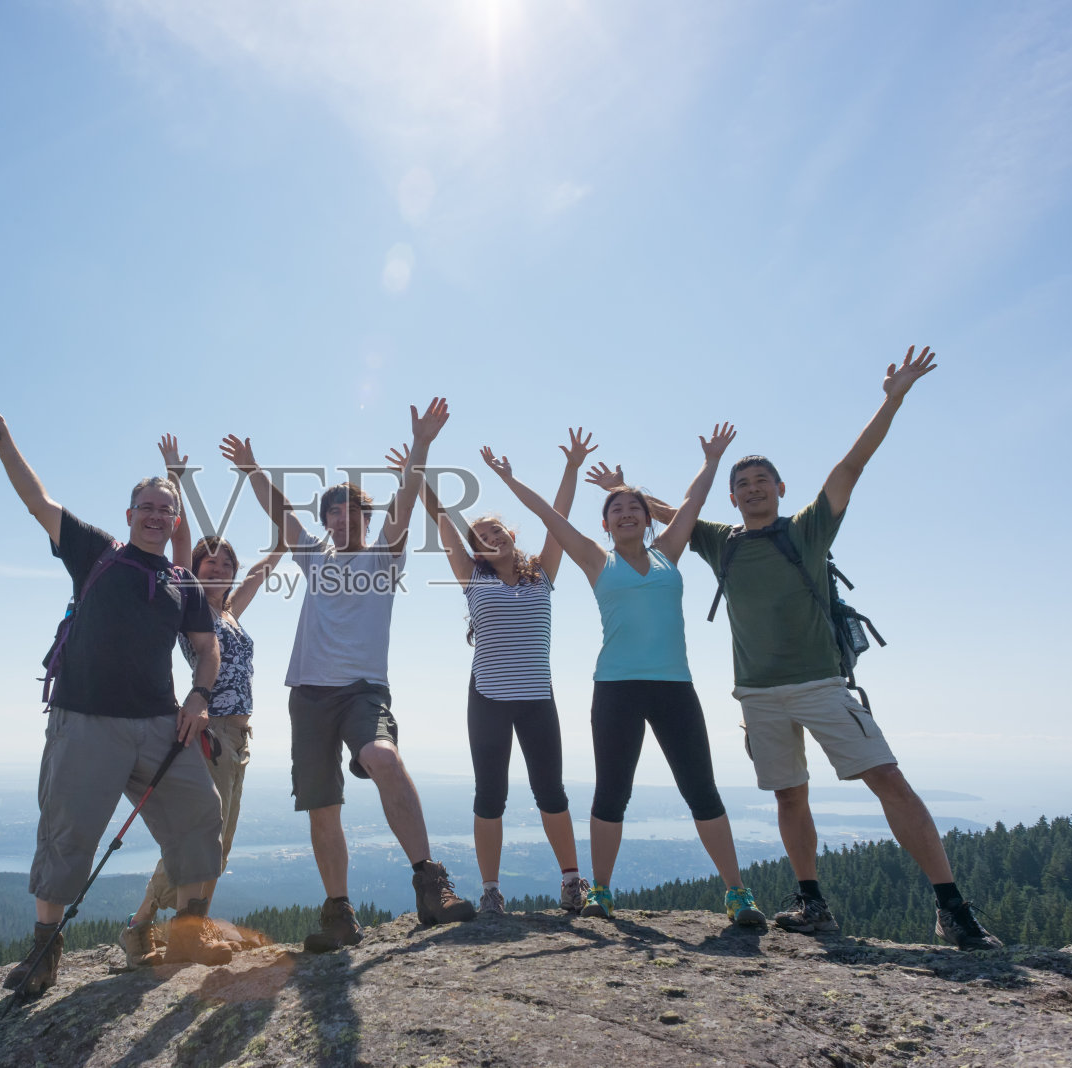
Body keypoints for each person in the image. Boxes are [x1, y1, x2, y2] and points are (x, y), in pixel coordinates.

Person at [635, 347, 1002, 950]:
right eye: (742, 485)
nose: (752, 490)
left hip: (821, 684)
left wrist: (893, 399)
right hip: (757, 693)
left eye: (761, 482)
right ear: (731, 499)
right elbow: (669, 511)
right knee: (789, 794)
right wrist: (617, 486)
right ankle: (812, 903)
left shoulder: (806, 529)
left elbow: (850, 467)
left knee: (888, 778)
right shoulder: (718, 542)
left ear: (781, 489)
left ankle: (951, 907)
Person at [0, 403, 233, 993]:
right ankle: (44, 955)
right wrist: (5, 439)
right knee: (69, 831)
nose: (156, 516)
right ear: (130, 513)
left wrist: (198, 696)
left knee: (200, 815)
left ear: (174, 523)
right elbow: (37, 500)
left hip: (161, 724)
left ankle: (189, 934)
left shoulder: (183, 583)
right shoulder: (96, 552)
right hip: (86, 719)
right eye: (147, 507)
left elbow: (206, 648)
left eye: (166, 510)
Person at [484, 424, 768, 927]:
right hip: (615, 688)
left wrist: (713, 459)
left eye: (634, 507)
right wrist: (508, 478)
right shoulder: (597, 560)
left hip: (675, 687)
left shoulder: (669, 553)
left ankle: (737, 893)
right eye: (616, 509)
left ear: (646, 519)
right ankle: (602, 891)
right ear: (607, 523)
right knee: (612, 790)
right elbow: (547, 515)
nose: (627, 513)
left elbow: (692, 503)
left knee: (701, 787)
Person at [222, 398, 476, 953]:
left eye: (353, 512)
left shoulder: (384, 556)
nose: (343, 519)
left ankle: (431, 885)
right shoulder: (314, 558)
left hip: (363, 690)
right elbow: (281, 514)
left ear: (366, 517)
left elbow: (405, 508)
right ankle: (339, 914)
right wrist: (251, 470)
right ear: (327, 523)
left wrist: (423, 447)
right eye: (334, 513)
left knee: (382, 758)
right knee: (322, 803)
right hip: (308, 693)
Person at [387, 429, 595, 916]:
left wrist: (571, 467)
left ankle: (571, 882)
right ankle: (490, 890)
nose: (490, 538)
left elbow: (557, 518)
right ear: (475, 549)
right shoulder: (471, 576)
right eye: (480, 536)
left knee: (552, 792)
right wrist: (417, 472)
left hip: (537, 698)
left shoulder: (543, 570)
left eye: (496, 531)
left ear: (510, 536)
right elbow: (440, 520)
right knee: (490, 795)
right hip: (488, 699)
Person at [120, 434, 286, 967]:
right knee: (200, 836)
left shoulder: (233, 611)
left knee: (221, 840)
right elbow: (183, 539)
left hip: (238, 735)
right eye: (208, 564)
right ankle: (148, 926)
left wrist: (285, 531)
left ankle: (177, 932)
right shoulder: (191, 605)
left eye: (224, 563)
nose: (216, 570)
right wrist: (176, 476)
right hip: (209, 733)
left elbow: (273, 557)